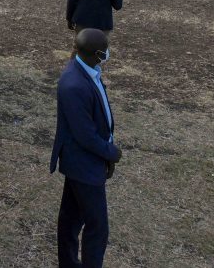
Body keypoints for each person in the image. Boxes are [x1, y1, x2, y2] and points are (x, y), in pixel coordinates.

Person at [50, 28, 121, 268]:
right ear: (96, 53)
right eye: (106, 49)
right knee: (97, 227)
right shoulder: (73, 85)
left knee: (70, 219)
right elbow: (85, 135)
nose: (108, 52)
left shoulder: (87, 70)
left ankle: (68, 263)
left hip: (84, 162)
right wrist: (112, 153)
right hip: (83, 164)